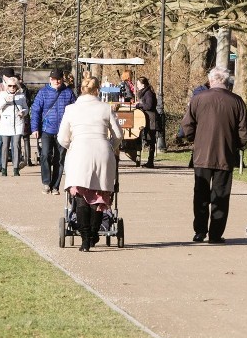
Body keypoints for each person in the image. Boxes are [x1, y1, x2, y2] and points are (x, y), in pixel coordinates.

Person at [180, 67, 247, 244]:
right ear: (227, 82)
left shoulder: (198, 99)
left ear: (211, 81)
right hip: (225, 154)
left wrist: (195, 139)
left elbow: (187, 125)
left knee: (200, 194)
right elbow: (244, 131)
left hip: (202, 155)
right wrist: (238, 145)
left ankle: (200, 231)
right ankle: (216, 233)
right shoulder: (237, 101)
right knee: (221, 195)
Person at [58, 72, 123, 251]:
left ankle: (85, 239)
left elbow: (62, 138)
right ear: (97, 91)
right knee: (97, 197)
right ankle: (94, 234)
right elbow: (118, 135)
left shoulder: (71, 109)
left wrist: (72, 144)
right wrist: (109, 145)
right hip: (102, 152)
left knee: (80, 197)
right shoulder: (105, 108)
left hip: (80, 152)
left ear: (81, 90)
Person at [31, 69, 77, 195]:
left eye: (58, 79)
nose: (56, 81)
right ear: (50, 79)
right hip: (47, 129)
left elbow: (75, 110)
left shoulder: (68, 93)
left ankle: (55, 185)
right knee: (45, 155)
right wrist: (35, 128)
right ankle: (46, 182)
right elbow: (35, 111)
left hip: (63, 131)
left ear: (62, 79)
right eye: (54, 79)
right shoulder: (43, 92)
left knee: (60, 158)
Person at [0, 76, 29, 176]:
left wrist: (23, 112)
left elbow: (26, 108)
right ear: (7, 86)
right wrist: (5, 100)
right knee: (5, 146)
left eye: (14, 86)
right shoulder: (2, 95)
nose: (12, 88)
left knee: (16, 145)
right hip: (5, 123)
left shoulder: (21, 96)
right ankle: (4, 169)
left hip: (18, 123)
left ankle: (16, 168)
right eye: (10, 86)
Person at [134, 76, 157, 168]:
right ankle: (149, 161)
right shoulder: (145, 92)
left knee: (151, 139)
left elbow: (149, 106)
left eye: (138, 84)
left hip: (151, 119)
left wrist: (139, 105)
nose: (137, 86)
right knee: (149, 138)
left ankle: (150, 161)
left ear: (143, 85)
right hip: (147, 118)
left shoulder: (148, 93)